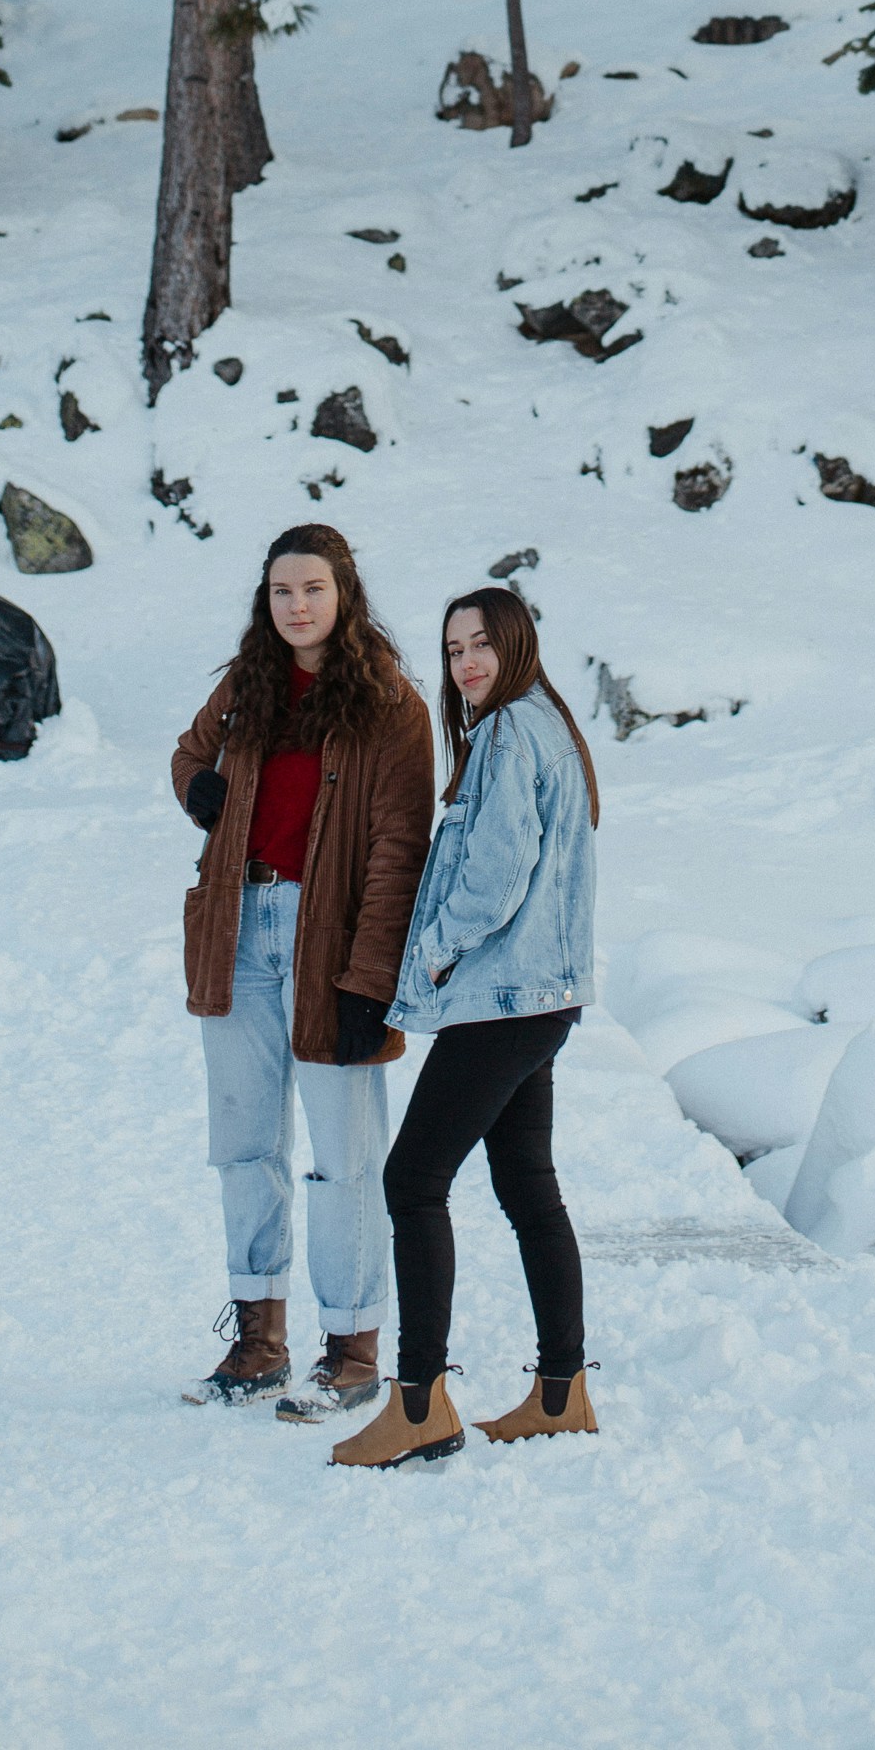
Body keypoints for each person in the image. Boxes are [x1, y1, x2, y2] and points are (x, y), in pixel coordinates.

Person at [331, 585, 599, 1471]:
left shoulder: (514, 731)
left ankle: (419, 1405)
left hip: (506, 997)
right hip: (538, 995)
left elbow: (497, 870)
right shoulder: (541, 726)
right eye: (454, 651)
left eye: (482, 643)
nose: (468, 663)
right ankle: (561, 1393)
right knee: (527, 1187)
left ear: (517, 642)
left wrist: (438, 950)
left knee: (412, 1180)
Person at [172, 523, 434, 1418]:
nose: (297, 606)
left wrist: (370, 982)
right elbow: (188, 753)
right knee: (245, 1149)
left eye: (313, 589)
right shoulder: (246, 690)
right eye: (282, 591)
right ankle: (258, 1343)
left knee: (344, 1157)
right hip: (236, 934)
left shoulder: (392, 705)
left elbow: (400, 852)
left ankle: (353, 1348)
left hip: (329, 946)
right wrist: (197, 790)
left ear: (346, 594)